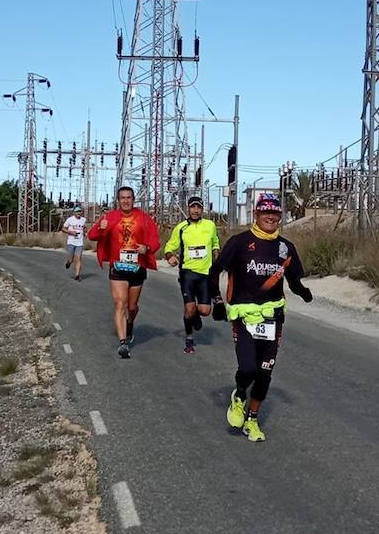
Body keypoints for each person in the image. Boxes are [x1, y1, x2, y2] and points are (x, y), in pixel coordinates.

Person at [211, 191, 313, 442]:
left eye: (275, 213)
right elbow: (214, 272)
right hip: (244, 316)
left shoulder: (285, 248)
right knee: (248, 367)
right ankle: (239, 396)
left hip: (273, 317)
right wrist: (217, 302)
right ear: (256, 214)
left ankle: (252, 421)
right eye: (265, 212)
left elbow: (293, 279)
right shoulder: (239, 242)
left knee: (265, 373)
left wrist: (304, 292)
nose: (270, 216)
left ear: (280, 217)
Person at [87, 186, 160, 359]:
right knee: (120, 303)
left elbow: (155, 240)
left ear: (133, 199)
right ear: (118, 200)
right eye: (122, 198)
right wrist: (100, 228)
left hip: (137, 267)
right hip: (118, 266)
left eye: (128, 197)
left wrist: (147, 248)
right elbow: (91, 236)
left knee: (132, 307)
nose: (126, 200)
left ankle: (130, 322)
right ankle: (123, 343)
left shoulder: (144, 218)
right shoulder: (110, 217)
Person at [163, 196, 220, 355]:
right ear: (188, 208)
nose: (196, 210)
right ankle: (189, 339)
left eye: (199, 208)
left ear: (202, 209)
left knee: (205, 310)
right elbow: (169, 246)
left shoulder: (210, 225)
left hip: (205, 273)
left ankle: (195, 314)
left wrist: (216, 253)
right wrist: (170, 257)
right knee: (189, 309)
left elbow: (215, 242)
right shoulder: (181, 227)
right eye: (193, 207)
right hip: (187, 272)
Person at [61, 206, 87, 281]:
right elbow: (63, 229)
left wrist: (85, 233)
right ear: (74, 212)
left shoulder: (83, 220)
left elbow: (84, 228)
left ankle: (77, 275)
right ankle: (68, 262)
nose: (79, 213)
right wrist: (71, 232)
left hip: (80, 242)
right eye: (77, 211)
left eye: (80, 211)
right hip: (71, 242)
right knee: (71, 259)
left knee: (78, 258)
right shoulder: (70, 220)